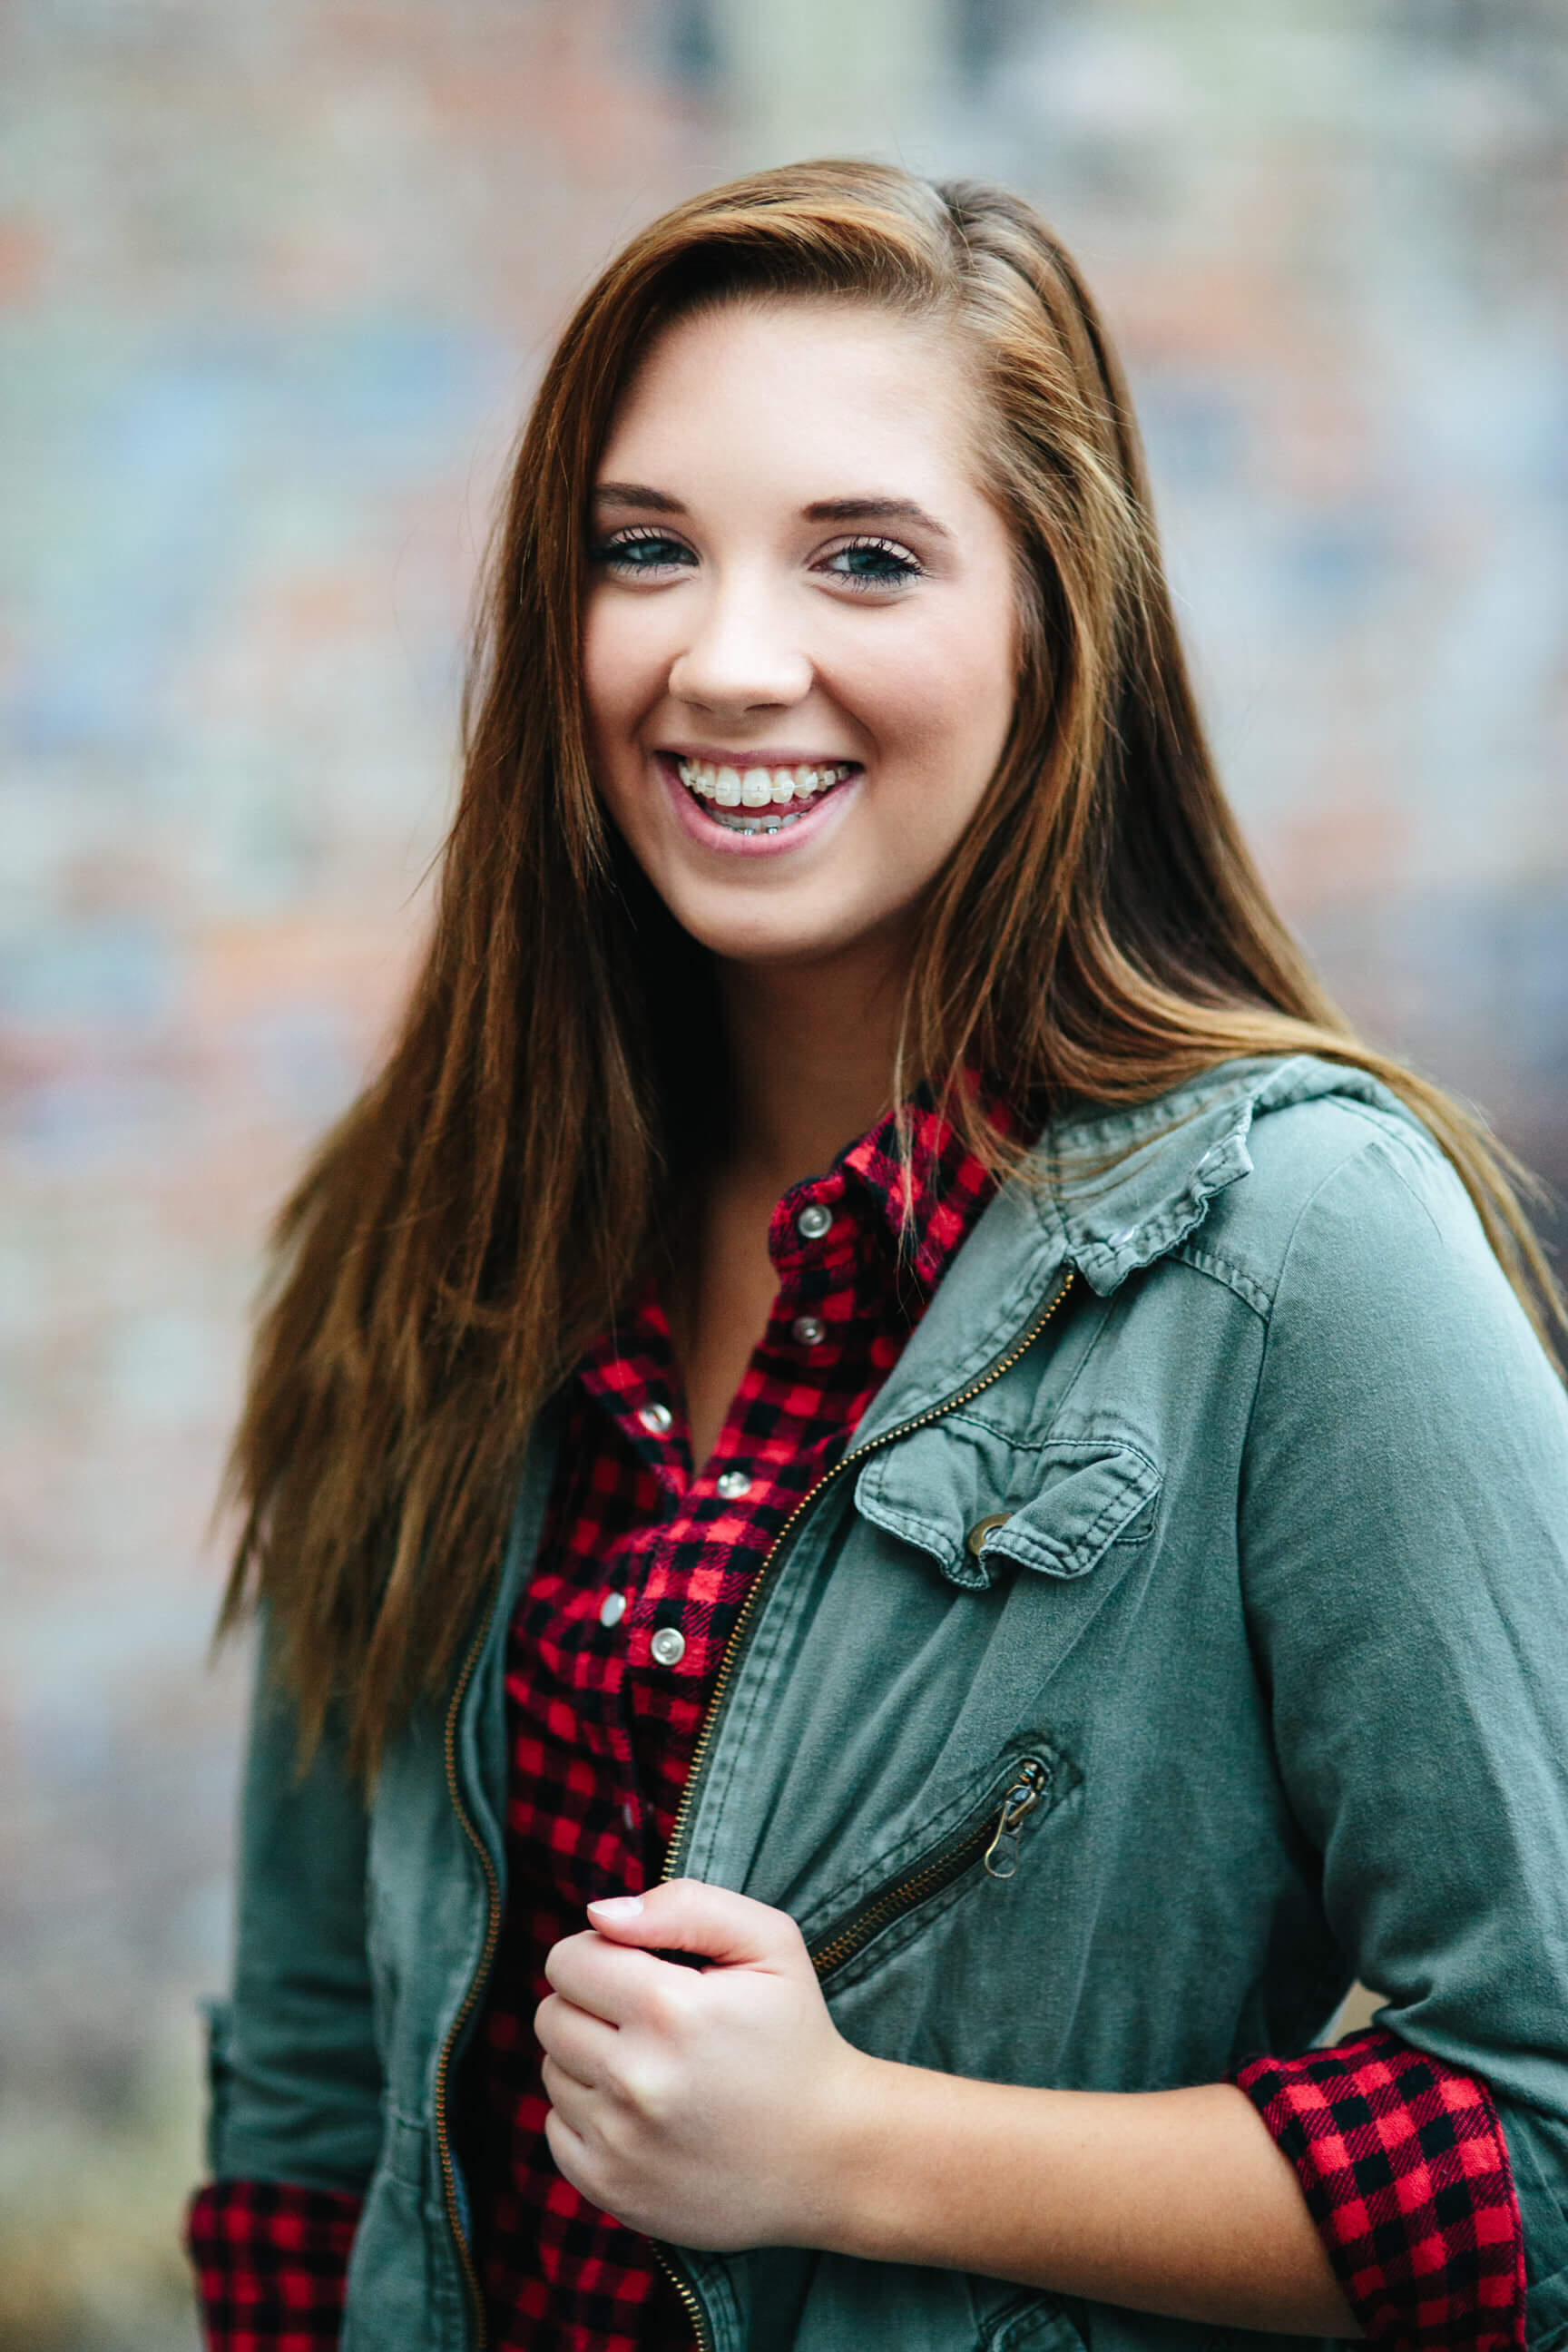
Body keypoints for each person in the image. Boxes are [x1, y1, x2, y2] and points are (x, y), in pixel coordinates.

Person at [186, 161, 1568, 2352]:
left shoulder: (1311, 1256)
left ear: (1052, 616)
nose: (730, 662)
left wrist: (847, 2147)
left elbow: (1539, 2145)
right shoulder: (427, 1228)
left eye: (864, 559)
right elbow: (306, 2094)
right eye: (645, 550)